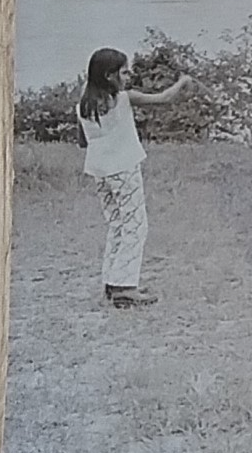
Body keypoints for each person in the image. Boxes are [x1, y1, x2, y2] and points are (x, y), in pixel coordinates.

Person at [76, 47, 193, 307]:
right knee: (136, 226)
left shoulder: (83, 106)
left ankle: (112, 281)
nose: (128, 76)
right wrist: (183, 82)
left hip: (100, 171)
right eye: (124, 71)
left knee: (117, 224)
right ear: (110, 76)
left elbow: (84, 141)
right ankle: (125, 287)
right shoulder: (124, 99)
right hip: (123, 168)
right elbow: (164, 99)